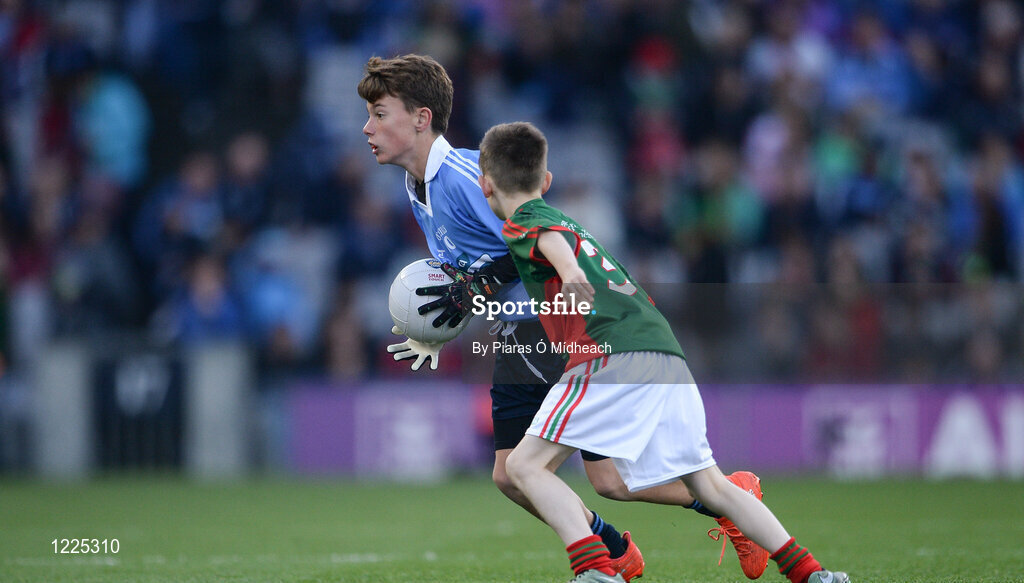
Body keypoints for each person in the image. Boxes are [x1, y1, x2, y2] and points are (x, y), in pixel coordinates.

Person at [357, 54, 769, 581]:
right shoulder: (416, 187)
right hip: (515, 330)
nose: (367, 127)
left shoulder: (462, 176)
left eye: (379, 112)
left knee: (527, 473)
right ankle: (692, 515)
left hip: (551, 326)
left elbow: (539, 229)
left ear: (420, 118)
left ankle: (608, 557)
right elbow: (465, 274)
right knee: (576, 480)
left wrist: (482, 285)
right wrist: (438, 326)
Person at [478, 121, 850, 583]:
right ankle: (814, 574)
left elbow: (548, 240)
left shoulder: (524, 221)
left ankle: (595, 569)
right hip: (663, 350)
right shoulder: (568, 218)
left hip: (608, 353)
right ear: (546, 180)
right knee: (710, 484)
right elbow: (557, 236)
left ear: (485, 182)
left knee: (521, 466)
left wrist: (570, 270)